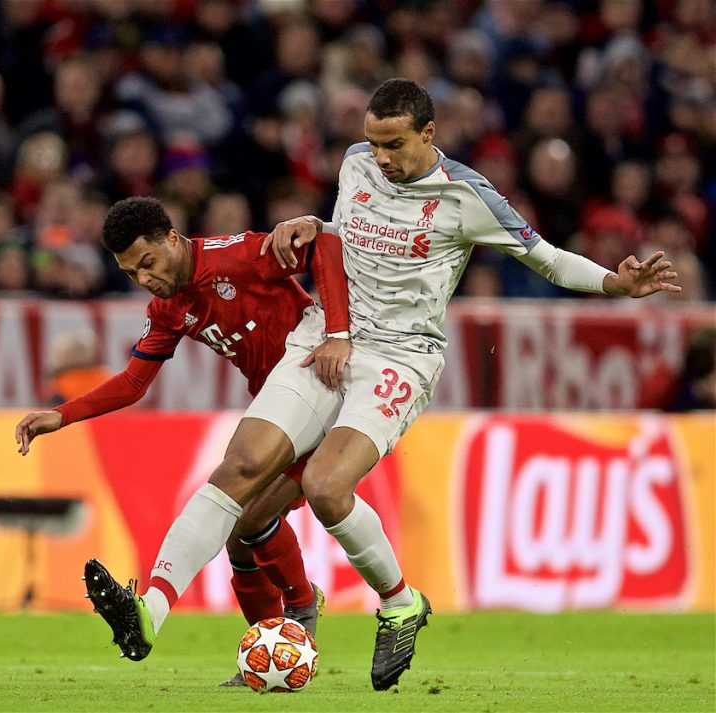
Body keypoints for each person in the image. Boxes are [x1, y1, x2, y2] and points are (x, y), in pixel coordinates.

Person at [82, 79, 681, 691]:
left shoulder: (467, 197)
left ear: (429, 135)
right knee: (238, 468)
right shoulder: (354, 165)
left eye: (393, 144)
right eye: (372, 142)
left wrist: (615, 282)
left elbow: (546, 257)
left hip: (401, 355)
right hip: (325, 336)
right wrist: (312, 225)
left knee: (325, 486)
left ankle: (399, 603)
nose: (381, 157)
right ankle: (148, 614)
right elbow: (339, 238)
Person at [13, 196, 351, 686]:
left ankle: (301, 608)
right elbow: (132, 382)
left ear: (171, 239)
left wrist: (338, 332)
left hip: (325, 397)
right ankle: (270, 654)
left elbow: (324, 245)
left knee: (251, 516)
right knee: (239, 537)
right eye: (132, 274)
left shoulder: (239, 256)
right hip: (278, 415)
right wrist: (60, 415)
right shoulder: (168, 308)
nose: (145, 279)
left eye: (147, 263)